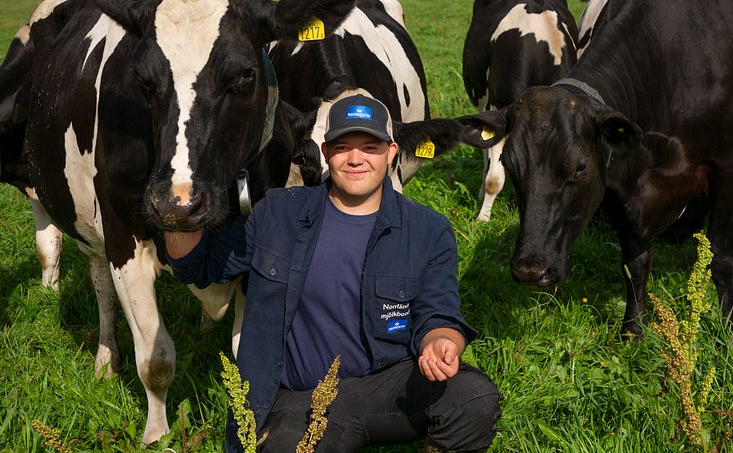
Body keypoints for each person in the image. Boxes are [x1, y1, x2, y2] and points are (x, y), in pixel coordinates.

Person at [165, 94, 503, 452]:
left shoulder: (428, 230)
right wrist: (177, 210)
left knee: (473, 399)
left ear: (391, 152)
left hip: (385, 389)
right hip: (300, 397)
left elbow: (439, 311)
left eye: (370, 147)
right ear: (325, 153)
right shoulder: (277, 215)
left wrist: (441, 341)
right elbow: (199, 265)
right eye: (343, 147)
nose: (356, 159)